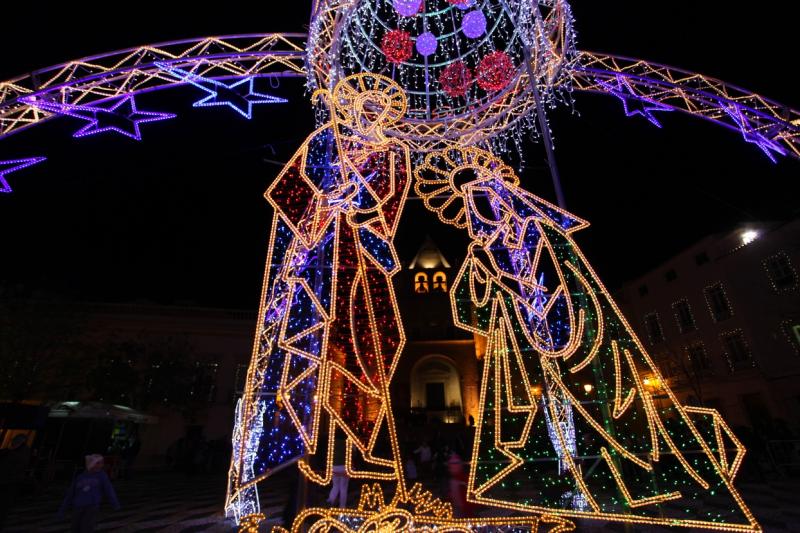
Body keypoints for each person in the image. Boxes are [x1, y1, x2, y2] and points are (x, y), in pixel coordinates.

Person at [58, 454, 120, 533]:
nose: (101, 465)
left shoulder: (102, 476)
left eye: (101, 463)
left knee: (86, 528)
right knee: (75, 528)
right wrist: (62, 509)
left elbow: (109, 490)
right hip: (78, 507)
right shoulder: (80, 477)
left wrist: (115, 503)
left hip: (92, 507)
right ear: (91, 464)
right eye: (98, 463)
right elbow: (70, 494)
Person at [0, 434, 32, 529]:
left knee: (4, 504)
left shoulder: (21, 452)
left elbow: (19, 464)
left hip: (10, 482)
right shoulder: (10, 452)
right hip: (7, 481)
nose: (13, 442)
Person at [327, 438, 349, 508]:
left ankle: (330, 502)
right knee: (343, 488)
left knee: (335, 486)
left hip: (334, 466)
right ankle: (342, 508)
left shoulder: (332, 441)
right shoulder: (348, 441)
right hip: (344, 466)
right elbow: (353, 454)